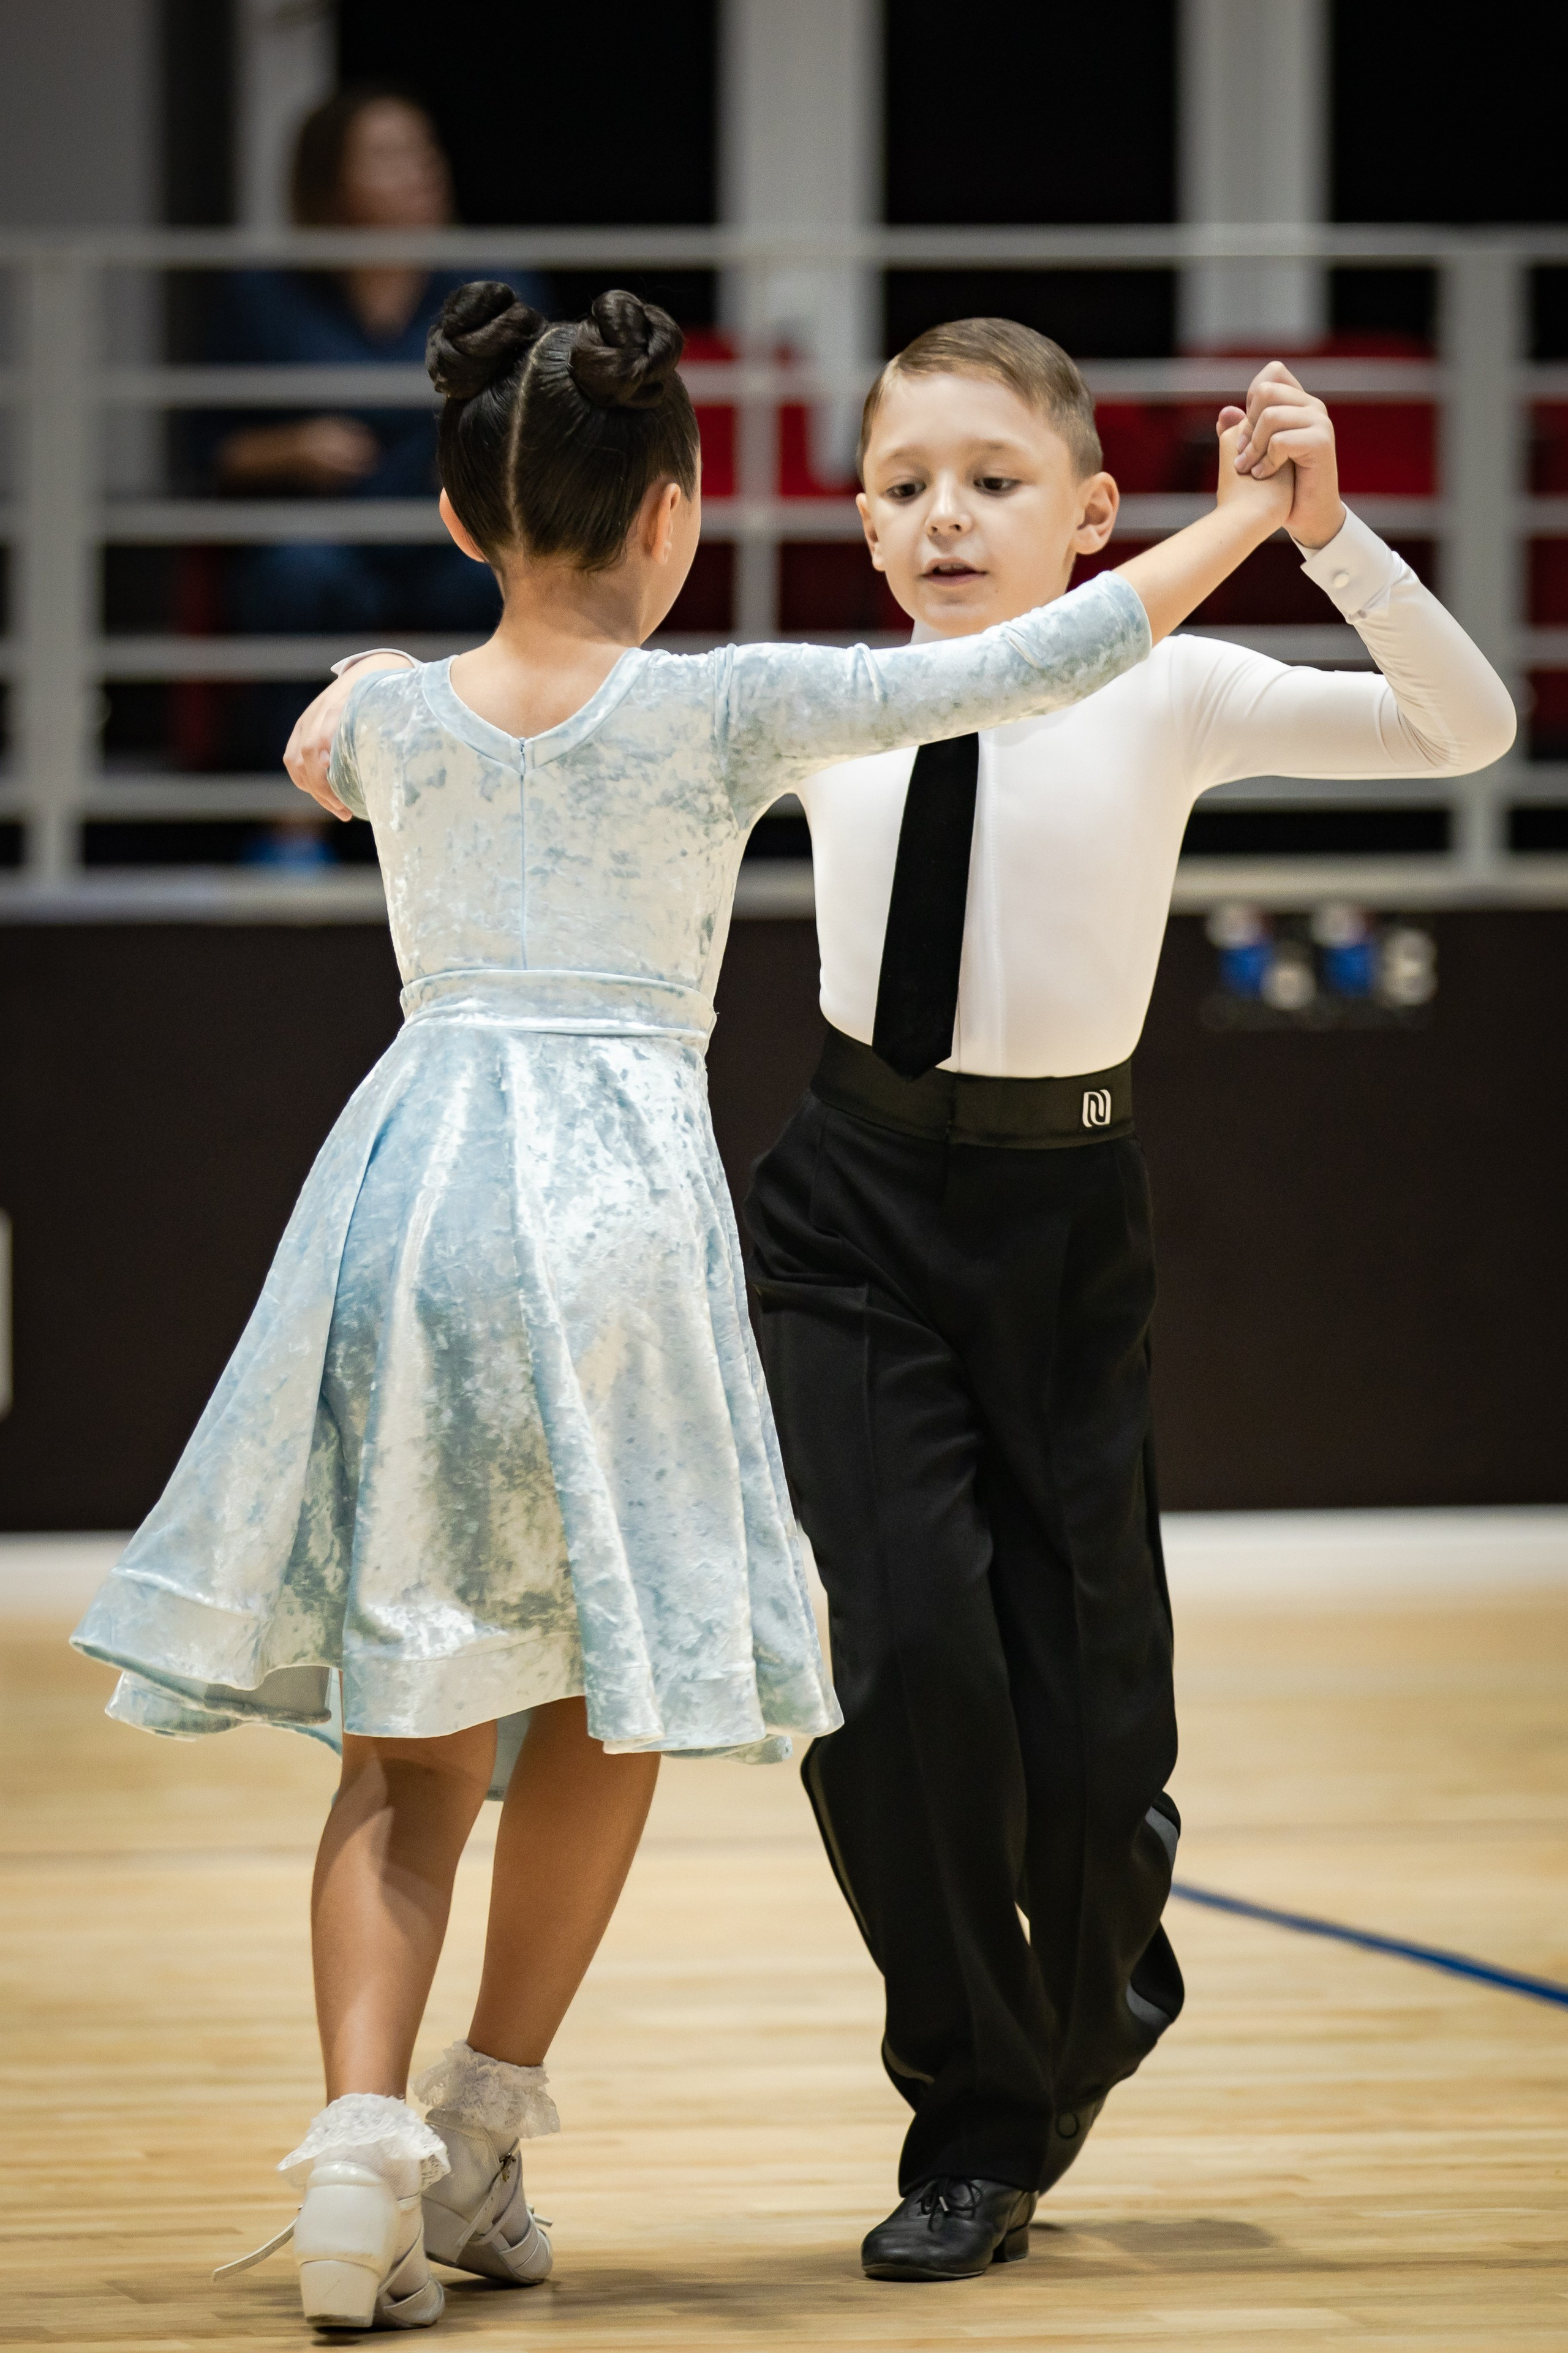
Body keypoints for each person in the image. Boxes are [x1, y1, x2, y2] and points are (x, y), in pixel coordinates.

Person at [160, 278, 1288, 2332]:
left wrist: (363, 679)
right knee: (607, 1690)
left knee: (406, 1732)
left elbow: (331, 746)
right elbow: (1052, 652)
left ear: (454, 512)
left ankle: (359, 2168)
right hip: (611, 1227)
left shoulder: (390, 708)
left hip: (409, 1205)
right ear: (676, 520)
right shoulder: (722, 705)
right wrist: (1238, 524)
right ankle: (489, 2125)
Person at [736, 324, 1516, 2281]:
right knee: (905, 1670)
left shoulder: (1166, 684)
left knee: (1091, 1731)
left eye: (992, 478)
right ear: (855, 516)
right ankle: (972, 2116)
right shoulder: (814, 697)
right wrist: (394, 698)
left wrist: (1322, 534)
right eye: (903, 480)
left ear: (1093, 516)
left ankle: (1080, 2008)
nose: (942, 515)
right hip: (849, 1218)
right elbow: (574, 707)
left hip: (1061, 1221)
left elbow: (1464, 726)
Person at [204, 86, 546, 767]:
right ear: (330, 183)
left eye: (425, 152)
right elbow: (213, 449)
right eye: (390, 157)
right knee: (297, 576)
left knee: (499, 579)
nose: (422, 171)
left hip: (451, 531)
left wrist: (471, 451)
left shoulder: (493, 287)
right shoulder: (262, 297)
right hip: (324, 529)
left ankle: (480, 792)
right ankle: (293, 816)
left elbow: (538, 426)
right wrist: (291, 448)